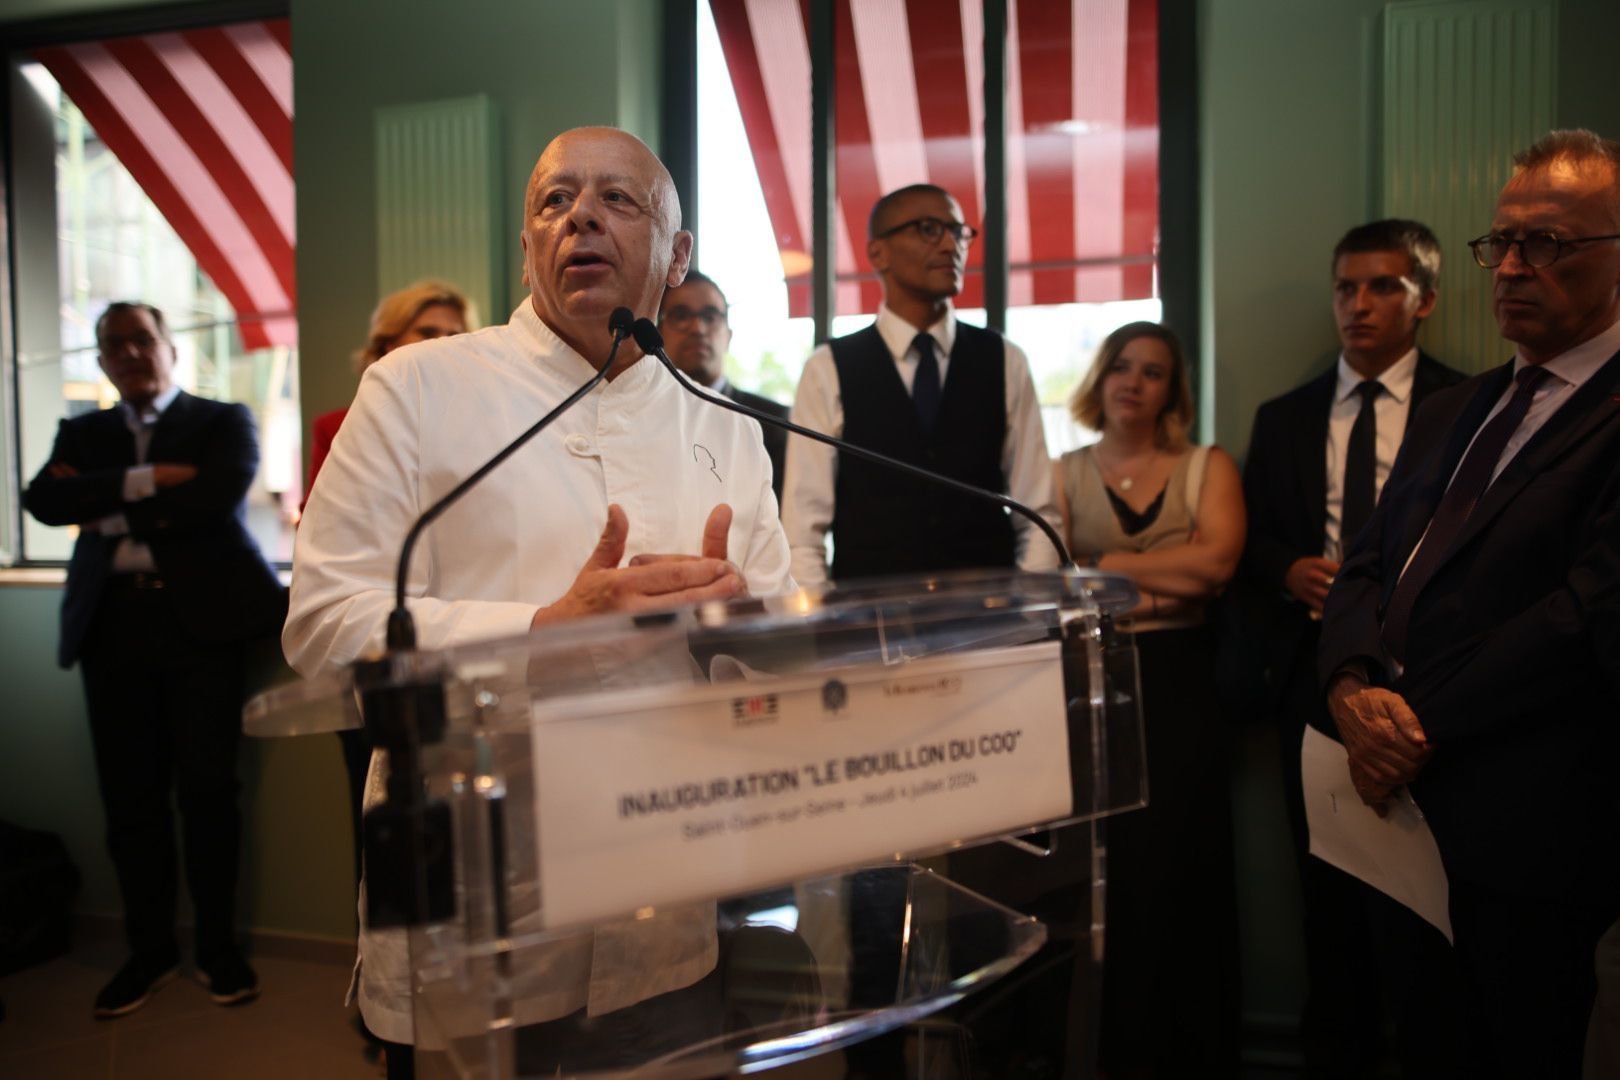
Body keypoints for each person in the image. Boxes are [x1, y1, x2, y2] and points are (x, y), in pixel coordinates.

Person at [283, 127, 792, 1078]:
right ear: (528, 247)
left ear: (677, 256)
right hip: (479, 892)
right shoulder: (414, 388)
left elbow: (769, 627)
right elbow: (321, 623)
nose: (580, 217)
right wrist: (541, 632)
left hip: (663, 879)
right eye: (554, 202)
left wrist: (750, 628)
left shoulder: (726, 427)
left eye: (618, 200)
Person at [1319, 128, 1620, 1078]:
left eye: (1552, 245)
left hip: (1529, 818)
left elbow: (1586, 614)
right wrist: (1349, 687)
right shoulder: (1454, 408)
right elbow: (1364, 564)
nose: (1515, 267)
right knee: (1420, 1041)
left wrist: (1409, 720)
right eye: (1503, 242)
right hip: (1389, 802)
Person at [1238, 220, 1465, 1077]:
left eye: (1381, 288)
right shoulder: (1286, 416)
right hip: (1311, 686)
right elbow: (1254, 543)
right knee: (1326, 904)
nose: (1358, 306)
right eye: (1345, 288)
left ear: (1426, 300)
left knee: (1427, 908)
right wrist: (1287, 569)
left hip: (1431, 687)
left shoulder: (1469, 403)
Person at [23, 301, 286, 1018]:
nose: (131, 353)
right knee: (129, 801)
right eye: (115, 345)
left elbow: (212, 500)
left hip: (199, 630)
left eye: (143, 339)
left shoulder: (221, 420)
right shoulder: (85, 429)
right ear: (103, 360)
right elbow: (43, 501)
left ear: (170, 348)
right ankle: (148, 951)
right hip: (110, 629)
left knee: (208, 793)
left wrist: (100, 500)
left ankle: (217, 948)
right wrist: (147, 481)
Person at [1054, 320, 1245, 1077]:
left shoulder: (1206, 465)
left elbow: (1219, 567)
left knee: (1185, 870)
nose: (1134, 383)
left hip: (1184, 688)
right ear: (1101, 379)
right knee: (1113, 875)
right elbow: (1060, 580)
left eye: (1154, 372)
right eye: (1121, 368)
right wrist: (1162, 576)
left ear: (1174, 389)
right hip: (1093, 686)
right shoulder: (1063, 470)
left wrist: (1108, 566)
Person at [781, 183, 1059, 586]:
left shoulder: (1005, 359)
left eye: (959, 231)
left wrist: (1029, 611)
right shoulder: (829, 368)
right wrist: (824, 627)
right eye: (929, 229)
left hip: (990, 619)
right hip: (871, 624)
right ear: (878, 252)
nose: (951, 245)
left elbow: (1038, 511)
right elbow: (803, 528)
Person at [302, 280, 474, 508]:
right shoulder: (336, 427)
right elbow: (316, 522)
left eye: (454, 335)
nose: (443, 343)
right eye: (427, 332)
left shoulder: (478, 424)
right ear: (389, 343)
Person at [657, 269, 789, 505]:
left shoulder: (773, 422)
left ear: (728, 336)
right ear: (659, 332)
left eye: (710, 316)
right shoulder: (644, 417)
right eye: (680, 315)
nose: (697, 328)